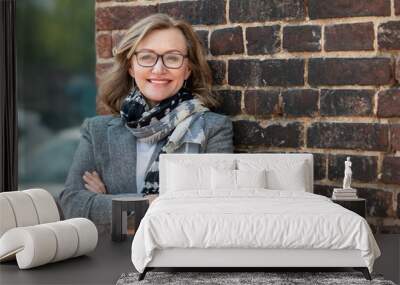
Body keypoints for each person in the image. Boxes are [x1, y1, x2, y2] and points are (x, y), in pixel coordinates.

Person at [57, 14, 234, 226]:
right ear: (131, 67)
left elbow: (212, 208)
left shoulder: (213, 128)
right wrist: (149, 203)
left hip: (179, 258)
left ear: (187, 69)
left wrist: (108, 201)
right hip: (109, 257)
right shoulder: (97, 131)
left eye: (173, 57)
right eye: (147, 57)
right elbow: (72, 206)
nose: (159, 69)